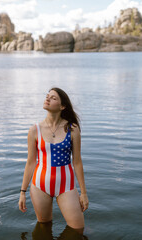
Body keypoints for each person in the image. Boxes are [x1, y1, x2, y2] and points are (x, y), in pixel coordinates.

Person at [18, 87, 89, 233]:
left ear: (62, 106)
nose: (48, 99)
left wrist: (83, 193)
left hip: (66, 186)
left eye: (53, 98)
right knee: (44, 226)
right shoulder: (34, 130)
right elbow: (31, 162)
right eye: (47, 96)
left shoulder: (72, 128)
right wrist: (22, 192)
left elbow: (77, 162)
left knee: (78, 228)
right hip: (40, 186)